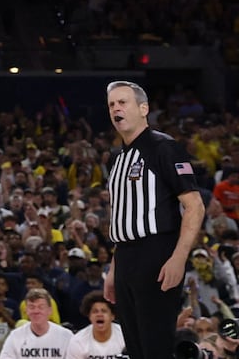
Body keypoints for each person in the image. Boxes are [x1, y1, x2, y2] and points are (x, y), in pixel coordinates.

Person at [102, 80, 203, 359]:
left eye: (123, 102)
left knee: (155, 346)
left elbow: (194, 206)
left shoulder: (164, 147)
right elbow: (124, 215)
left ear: (143, 108)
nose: (116, 109)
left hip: (157, 254)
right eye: (111, 104)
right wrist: (114, 268)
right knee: (135, 348)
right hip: (125, 257)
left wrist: (179, 258)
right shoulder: (115, 158)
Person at [0, 289, 71, 359]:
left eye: (41, 307)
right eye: (32, 307)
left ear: (49, 310)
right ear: (26, 310)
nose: (36, 311)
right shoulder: (15, 336)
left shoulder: (66, 336)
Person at [65, 293, 124, 359]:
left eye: (104, 311)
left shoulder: (125, 336)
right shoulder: (78, 341)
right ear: (89, 316)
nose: (99, 314)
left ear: (112, 316)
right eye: (95, 311)